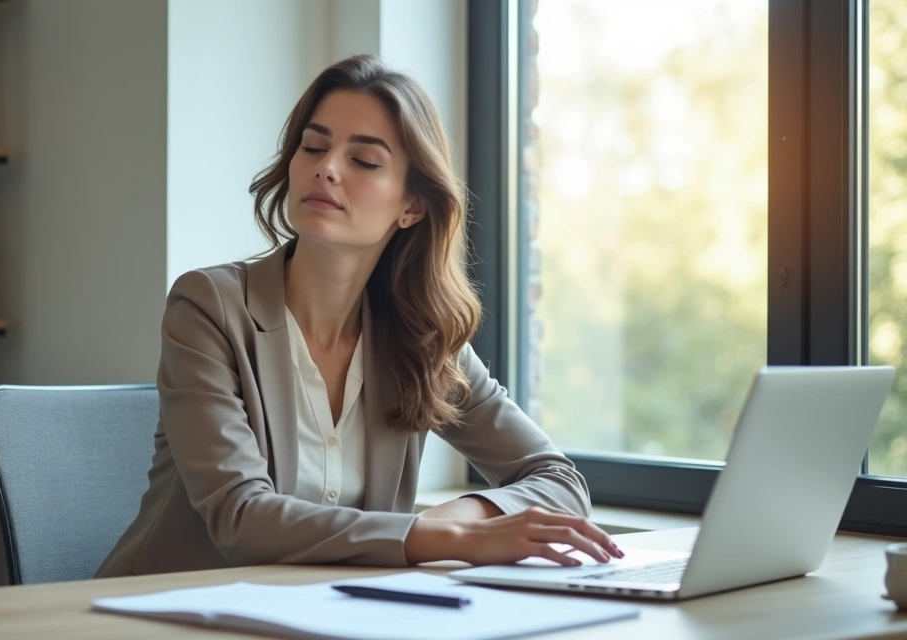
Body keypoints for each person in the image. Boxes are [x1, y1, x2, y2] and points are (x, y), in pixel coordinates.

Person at [95, 54, 622, 579]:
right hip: (163, 614)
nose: (327, 167)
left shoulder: (422, 337)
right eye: (314, 146)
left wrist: (459, 520)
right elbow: (241, 518)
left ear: (411, 206)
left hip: (336, 614)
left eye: (364, 161)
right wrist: (437, 538)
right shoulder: (208, 306)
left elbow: (558, 479)